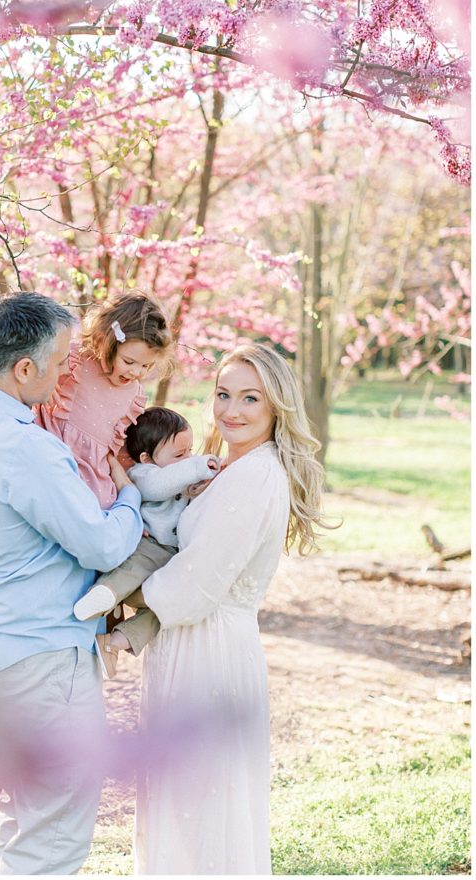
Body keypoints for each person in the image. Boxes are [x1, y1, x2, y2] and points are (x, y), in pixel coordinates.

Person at [0, 292, 144, 876]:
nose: (64, 375)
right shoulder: (24, 446)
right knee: (55, 826)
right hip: (45, 655)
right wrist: (128, 491)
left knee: (29, 813)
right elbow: (103, 543)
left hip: (4, 645)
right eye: (57, 363)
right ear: (24, 369)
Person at [134, 343, 330, 876]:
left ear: (276, 407)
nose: (231, 411)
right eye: (223, 394)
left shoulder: (258, 476)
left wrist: (121, 593)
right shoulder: (230, 467)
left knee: (204, 809)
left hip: (211, 649)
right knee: (182, 803)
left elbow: (198, 583)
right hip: (189, 640)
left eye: (250, 398)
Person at [73, 406, 220, 674]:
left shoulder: (178, 473)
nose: (188, 458)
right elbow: (161, 485)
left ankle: (116, 642)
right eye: (179, 454)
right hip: (149, 548)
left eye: (190, 451)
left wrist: (200, 486)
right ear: (146, 458)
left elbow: (186, 490)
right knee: (134, 568)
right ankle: (104, 595)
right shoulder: (144, 474)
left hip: (171, 559)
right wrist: (197, 466)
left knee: (163, 609)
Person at [36, 290, 172, 510]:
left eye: (146, 366)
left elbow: (119, 451)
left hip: (92, 477)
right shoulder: (74, 360)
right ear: (104, 342)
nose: (137, 371)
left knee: (98, 510)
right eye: (129, 361)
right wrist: (44, 384)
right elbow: (35, 373)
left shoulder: (134, 396)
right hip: (52, 454)